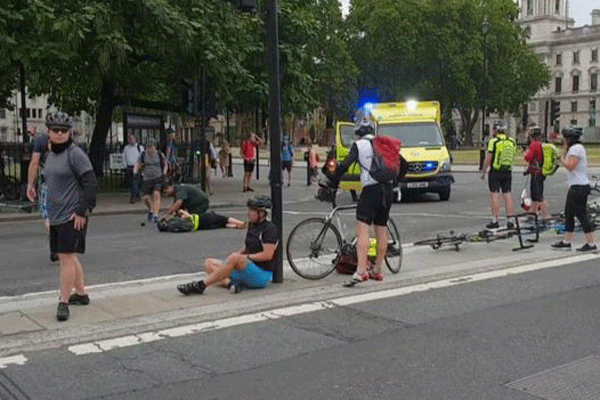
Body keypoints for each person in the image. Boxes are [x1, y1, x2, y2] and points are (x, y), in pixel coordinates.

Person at [326, 111, 393, 284]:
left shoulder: (360, 145)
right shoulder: (383, 143)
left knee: (362, 230)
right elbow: (403, 164)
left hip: (371, 191)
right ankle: (378, 270)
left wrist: (333, 179)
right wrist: (395, 182)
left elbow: (345, 165)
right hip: (387, 189)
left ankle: (361, 270)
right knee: (381, 230)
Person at [42, 111, 97, 321]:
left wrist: (81, 210)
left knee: (65, 258)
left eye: (64, 130)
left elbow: (90, 183)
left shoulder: (75, 154)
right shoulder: (50, 155)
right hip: (56, 215)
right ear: (48, 132)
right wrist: (46, 214)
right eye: (55, 130)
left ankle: (63, 302)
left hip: (72, 215)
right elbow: (49, 185)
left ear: (70, 133)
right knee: (69, 256)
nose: (59, 134)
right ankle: (81, 293)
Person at [176, 195, 277, 295]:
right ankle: (231, 284)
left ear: (262, 213)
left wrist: (242, 257)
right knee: (209, 263)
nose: (248, 213)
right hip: (246, 270)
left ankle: (201, 285)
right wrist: (235, 255)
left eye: (252, 210)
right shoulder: (253, 225)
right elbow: (248, 247)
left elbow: (267, 255)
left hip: (260, 275)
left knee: (234, 259)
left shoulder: (269, 229)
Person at [551, 128, 597, 252]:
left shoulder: (576, 149)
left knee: (581, 215)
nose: (563, 140)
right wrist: (565, 149)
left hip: (579, 187)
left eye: (565, 138)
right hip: (576, 186)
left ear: (569, 138)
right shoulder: (575, 148)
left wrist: (561, 160)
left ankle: (591, 243)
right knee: (569, 213)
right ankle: (566, 241)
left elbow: (571, 166)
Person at [26, 129, 58, 261]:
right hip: (65, 184)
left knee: (48, 216)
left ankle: (55, 244)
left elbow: (34, 164)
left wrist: (30, 185)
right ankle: (60, 243)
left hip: (47, 183)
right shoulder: (67, 139)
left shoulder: (41, 141)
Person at [480, 122, 517, 229]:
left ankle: (495, 220)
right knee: (508, 194)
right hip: (507, 170)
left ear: (496, 130)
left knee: (495, 195)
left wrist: (483, 171)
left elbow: (488, 158)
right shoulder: (512, 141)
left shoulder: (494, 142)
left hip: (496, 171)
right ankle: (510, 219)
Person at [134, 139, 167, 223]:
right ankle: (151, 209)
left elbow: (165, 164)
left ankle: (156, 215)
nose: (149, 149)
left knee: (156, 195)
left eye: (151, 147)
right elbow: (137, 164)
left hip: (157, 177)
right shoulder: (143, 154)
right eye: (148, 147)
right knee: (145, 198)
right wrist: (135, 172)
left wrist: (164, 173)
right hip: (147, 179)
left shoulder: (159, 154)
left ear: (155, 147)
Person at [523, 127, 551, 221]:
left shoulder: (534, 144)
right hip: (539, 172)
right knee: (534, 195)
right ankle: (533, 213)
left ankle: (546, 216)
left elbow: (528, 157)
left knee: (539, 195)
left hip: (536, 173)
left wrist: (524, 153)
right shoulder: (540, 144)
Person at [122, 134, 143, 203]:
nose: (131, 140)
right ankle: (137, 195)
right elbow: (124, 157)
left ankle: (133, 197)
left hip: (136, 166)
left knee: (135, 181)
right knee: (132, 182)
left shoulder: (139, 147)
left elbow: (142, 156)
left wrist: (140, 165)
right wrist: (125, 165)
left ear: (135, 139)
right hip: (129, 166)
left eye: (132, 139)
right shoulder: (126, 148)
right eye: (130, 139)